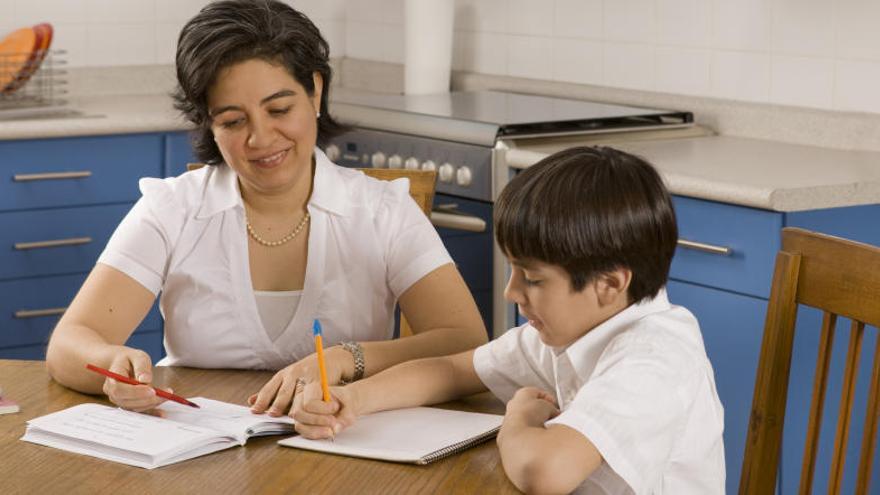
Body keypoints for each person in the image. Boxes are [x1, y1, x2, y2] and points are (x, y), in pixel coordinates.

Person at [46, 0, 486, 416]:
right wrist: (111, 365)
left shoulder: (382, 211)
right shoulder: (173, 208)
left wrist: (346, 359)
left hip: (345, 446)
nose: (260, 138)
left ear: (314, 91)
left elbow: (465, 343)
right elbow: (68, 345)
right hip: (200, 459)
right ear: (208, 122)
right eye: (233, 121)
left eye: (279, 108)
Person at [293, 147, 726, 494]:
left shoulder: (655, 359)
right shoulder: (572, 330)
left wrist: (518, 419)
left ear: (609, 284)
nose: (511, 292)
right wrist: (355, 402)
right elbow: (451, 370)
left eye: (532, 278)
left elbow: (544, 472)